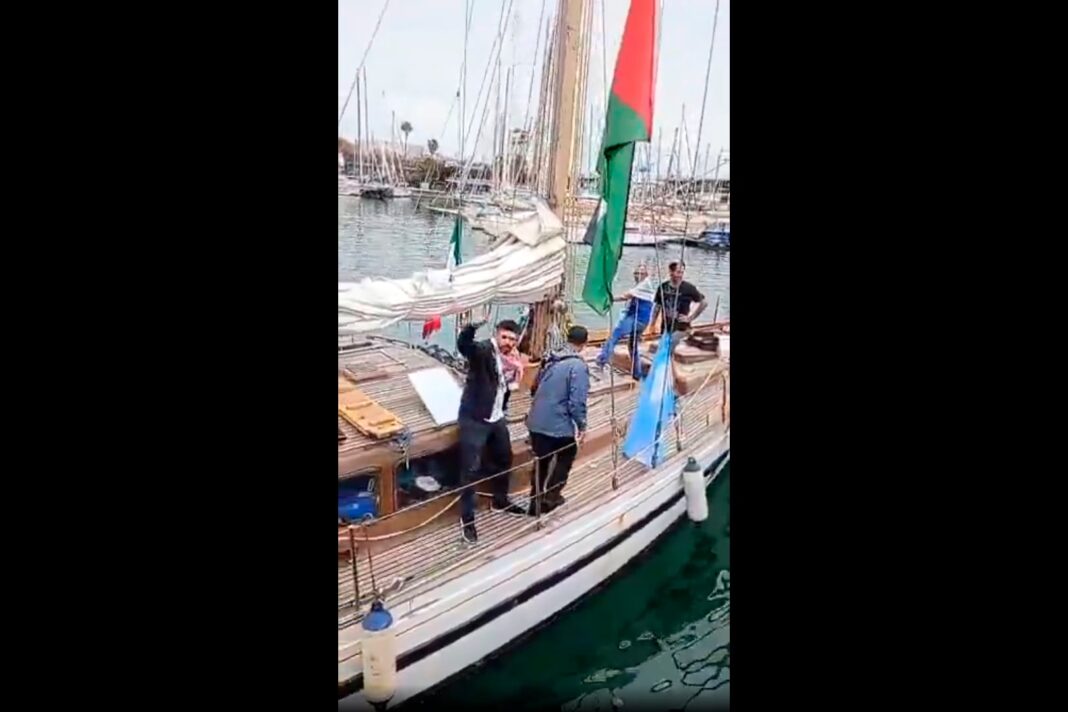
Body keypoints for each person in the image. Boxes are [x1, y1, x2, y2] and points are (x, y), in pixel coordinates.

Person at [456, 319, 526, 544]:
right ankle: (467, 520)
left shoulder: (510, 359)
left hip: (496, 417)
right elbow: (465, 347)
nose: (508, 343)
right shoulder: (484, 351)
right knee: (470, 469)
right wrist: (471, 328)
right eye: (505, 337)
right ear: (496, 335)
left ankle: (500, 500)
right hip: (475, 419)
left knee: (505, 458)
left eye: (513, 339)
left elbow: (504, 386)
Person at [526, 325, 591, 515]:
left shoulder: (550, 358)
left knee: (542, 461)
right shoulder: (578, 366)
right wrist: (582, 425)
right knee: (566, 455)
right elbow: (576, 402)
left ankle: (534, 503)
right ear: (584, 344)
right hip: (556, 424)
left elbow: (533, 388)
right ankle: (551, 497)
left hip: (535, 421)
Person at [595, 264, 655, 379]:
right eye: (636, 273)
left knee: (614, 337)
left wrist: (610, 298)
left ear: (646, 275)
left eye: (640, 273)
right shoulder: (641, 286)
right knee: (632, 346)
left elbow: (626, 296)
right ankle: (637, 373)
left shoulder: (645, 284)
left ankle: (601, 361)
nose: (637, 276)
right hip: (641, 321)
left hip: (636, 320)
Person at [651, 261, 707, 345]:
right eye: (678, 272)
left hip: (681, 328)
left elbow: (704, 303)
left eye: (682, 272)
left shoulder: (688, 288)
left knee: (670, 344)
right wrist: (653, 322)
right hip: (666, 326)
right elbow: (657, 306)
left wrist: (690, 318)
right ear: (670, 272)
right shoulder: (663, 287)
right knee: (663, 347)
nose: (680, 275)